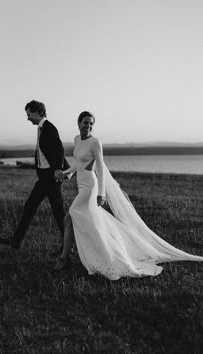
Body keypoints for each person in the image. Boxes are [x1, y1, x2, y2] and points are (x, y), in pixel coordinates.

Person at [54, 111, 203, 279]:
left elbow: (101, 168)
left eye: (91, 123)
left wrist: (101, 193)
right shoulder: (76, 140)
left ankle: (66, 258)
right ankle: (93, 255)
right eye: (85, 122)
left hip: (90, 187)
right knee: (89, 223)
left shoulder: (95, 142)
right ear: (78, 123)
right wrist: (65, 173)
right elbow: (78, 164)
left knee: (70, 217)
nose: (88, 126)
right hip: (81, 185)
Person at [0, 100, 69, 253]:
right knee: (30, 206)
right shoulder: (40, 128)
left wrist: (58, 169)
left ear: (38, 112)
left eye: (29, 114)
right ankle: (16, 241)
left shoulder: (49, 127)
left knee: (59, 213)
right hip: (43, 178)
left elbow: (60, 150)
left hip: (52, 178)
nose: (27, 117)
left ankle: (67, 247)